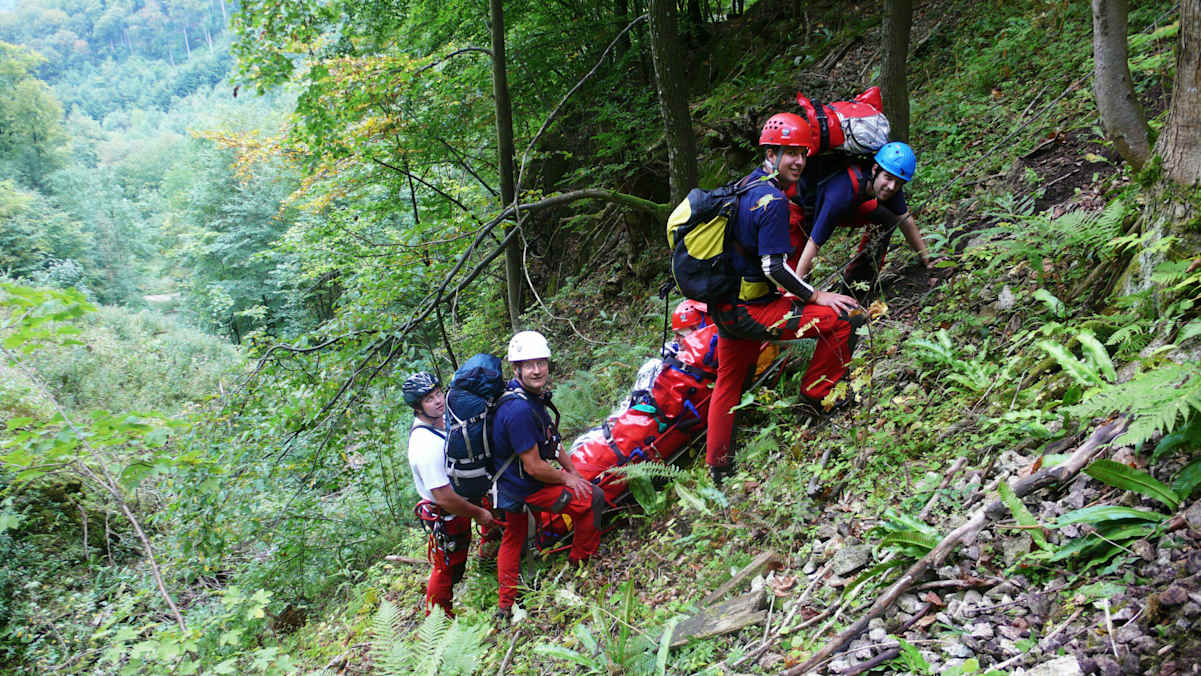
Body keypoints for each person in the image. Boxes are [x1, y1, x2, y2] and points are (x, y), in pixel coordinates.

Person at [705, 112, 865, 483]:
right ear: (771, 152)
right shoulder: (772, 200)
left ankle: (718, 469)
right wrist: (817, 295)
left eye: (802, 153)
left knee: (729, 381)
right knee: (842, 319)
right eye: (790, 152)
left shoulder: (747, 185)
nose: (798, 161)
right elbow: (774, 268)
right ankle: (817, 396)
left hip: (727, 307)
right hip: (753, 309)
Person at [490, 331, 603, 620]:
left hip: (509, 487)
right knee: (592, 499)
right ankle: (580, 562)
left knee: (513, 537)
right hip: (526, 486)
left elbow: (552, 443)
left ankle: (506, 605)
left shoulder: (529, 397)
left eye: (541, 362)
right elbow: (535, 466)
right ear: (517, 369)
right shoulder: (518, 410)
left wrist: (574, 472)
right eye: (529, 365)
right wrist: (569, 480)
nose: (537, 370)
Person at [789, 142, 934, 298]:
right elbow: (814, 243)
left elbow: (905, 221)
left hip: (844, 206)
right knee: (792, 267)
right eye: (888, 178)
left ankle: (857, 288)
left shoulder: (887, 183)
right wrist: (799, 289)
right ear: (875, 169)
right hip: (799, 207)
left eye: (898, 182)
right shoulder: (842, 193)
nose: (892, 186)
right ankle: (793, 302)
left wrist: (927, 259)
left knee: (886, 217)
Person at [404, 371, 495, 617]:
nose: (437, 401)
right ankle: (438, 619)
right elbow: (443, 496)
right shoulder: (425, 444)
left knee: (470, 545)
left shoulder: (443, 421)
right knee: (447, 566)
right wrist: (478, 514)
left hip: (462, 499)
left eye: (437, 394)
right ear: (417, 407)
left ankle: (489, 565)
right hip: (447, 510)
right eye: (428, 399)